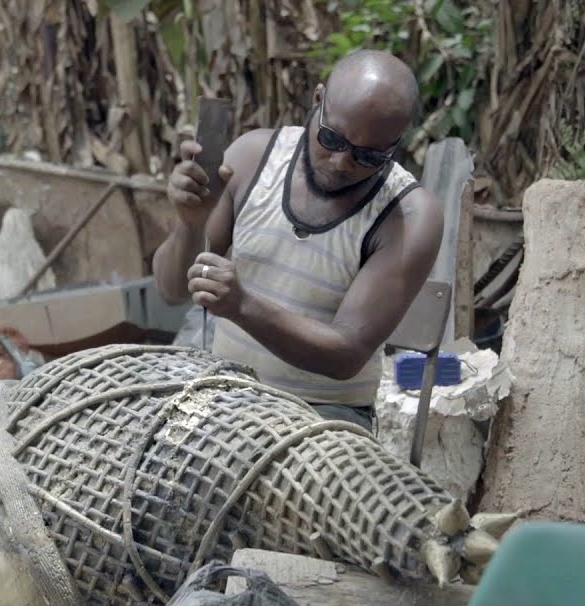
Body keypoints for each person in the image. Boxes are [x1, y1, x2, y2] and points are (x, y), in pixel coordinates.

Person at [153, 49, 445, 433]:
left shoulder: (408, 217)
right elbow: (171, 290)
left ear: (397, 143)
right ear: (318, 100)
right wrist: (190, 226)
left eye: (368, 156)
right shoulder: (252, 158)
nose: (341, 162)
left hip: (323, 417)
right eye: (331, 138)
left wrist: (242, 305)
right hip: (223, 393)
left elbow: (346, 354)